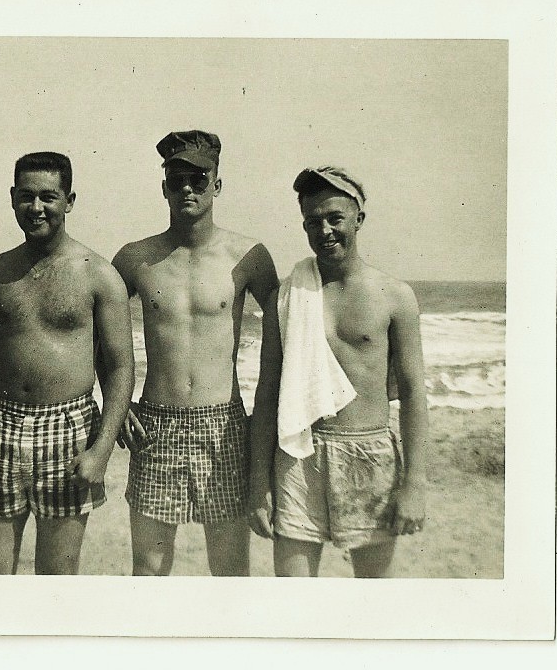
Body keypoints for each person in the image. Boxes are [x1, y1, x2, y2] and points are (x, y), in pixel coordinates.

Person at [0, 151, 134, 575]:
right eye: (26, 196)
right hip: (1, 427)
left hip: (69, 430)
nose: (36, 208)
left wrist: (102, 450)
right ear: (12, 198)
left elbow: (121, 367)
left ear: (69, 201)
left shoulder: (98, 274)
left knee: (57, 579)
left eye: (48, 197)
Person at [248, 166, 429, 577]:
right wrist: (259, 483)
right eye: (313, 222)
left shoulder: (395, 296)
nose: (325, 230)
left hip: (370, 452)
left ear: (358, 219)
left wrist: (415, 484)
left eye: (335, 218)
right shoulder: (286, 297)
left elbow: (414, 393)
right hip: (298, 454)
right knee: (293, 597)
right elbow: (267, 393)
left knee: (372, 597)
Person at [111, 130, 278, 576]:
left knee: (229, 570)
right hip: (155, 424)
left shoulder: (249, 256)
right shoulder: (135, 258)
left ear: (217, 185)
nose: (188, 188)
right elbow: (90, 327)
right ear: (164, 187)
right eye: (177, 179)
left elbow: (288, 329)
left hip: (223, 424)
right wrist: (115, 403)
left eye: (199, 179)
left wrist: (273, 413)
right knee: (149, 569)